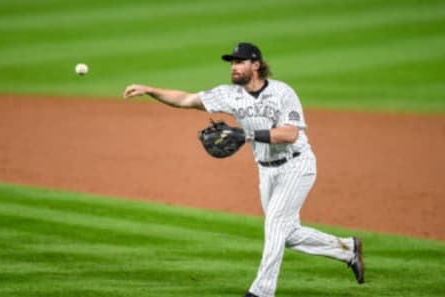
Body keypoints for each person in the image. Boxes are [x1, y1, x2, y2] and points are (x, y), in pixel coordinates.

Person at [123, 42, 364, 297]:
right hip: (266, 171)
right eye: (232, 62)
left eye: (239, 62)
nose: (234, 67)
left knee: (274, 225)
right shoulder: (230, 94)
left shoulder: (283, 92)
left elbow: (290, 134)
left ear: (256, 65)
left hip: (296, 164)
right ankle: (348, 250)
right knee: (287, 234)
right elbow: (186, 99)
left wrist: (247, 134)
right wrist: (150, 89)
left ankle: (262, 292)